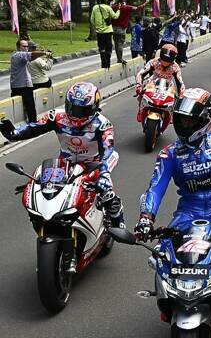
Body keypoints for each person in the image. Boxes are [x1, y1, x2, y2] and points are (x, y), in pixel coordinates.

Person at [135, 89, 211, 323]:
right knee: (162, 254)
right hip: (187, 212)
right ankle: (168, 298)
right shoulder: (169, 153)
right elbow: (155, 188)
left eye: (190, 119)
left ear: (204, 119)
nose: (184, 124)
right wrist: (146, 218)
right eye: (181, 118)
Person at [1, 82, 124, 230]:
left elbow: (108, 150)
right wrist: (15, 134)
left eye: (81, 110)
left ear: (93, 108)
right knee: (46, 192)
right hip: (64, 164)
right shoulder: (56, 117)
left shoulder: (103, 124)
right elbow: (34, 128)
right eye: (72, 108)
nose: (75, 114)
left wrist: (104, 174)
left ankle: (119, 223)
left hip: (94, 165)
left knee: (108, 195)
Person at [9, 38, 52, 122]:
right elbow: (32, 55)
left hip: (19, 85)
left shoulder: (20, 56)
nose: (26, 48)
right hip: (23, 86)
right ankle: (33, 124)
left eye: (27, 46)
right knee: (31, 107)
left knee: (18, 108)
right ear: (18, 47)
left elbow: (31, 56)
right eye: (24, 46)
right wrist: (45, 53)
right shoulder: (19, 55)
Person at [110, 0, 148, 65]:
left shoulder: (113, 7)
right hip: (121, 29)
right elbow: (137, 8)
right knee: (120, 44)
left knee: (116, 44)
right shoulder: (125, 7)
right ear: (124, 0)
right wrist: (145, 3)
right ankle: (120, 59)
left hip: (113, 28)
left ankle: (119, 58)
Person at [90, 0, 120, 69]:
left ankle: (103, 63)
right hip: (108, 31)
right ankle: (108, 62)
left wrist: (97, 27)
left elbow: (92, 20)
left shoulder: (95, 8)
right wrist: (119, 10)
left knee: (101, 47)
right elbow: (115, 16)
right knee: (109, 46)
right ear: (106, 0)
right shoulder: (108, 8)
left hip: (99, 32)